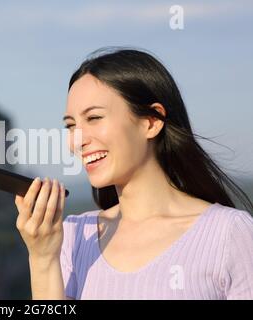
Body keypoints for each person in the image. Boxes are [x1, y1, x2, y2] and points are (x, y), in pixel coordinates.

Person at [14, 48, 253, 300]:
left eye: (94, 118)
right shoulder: (74, 235)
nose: (77, 140)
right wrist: (42, 258)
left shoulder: (229, 234)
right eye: (71, 126)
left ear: (151, 121)